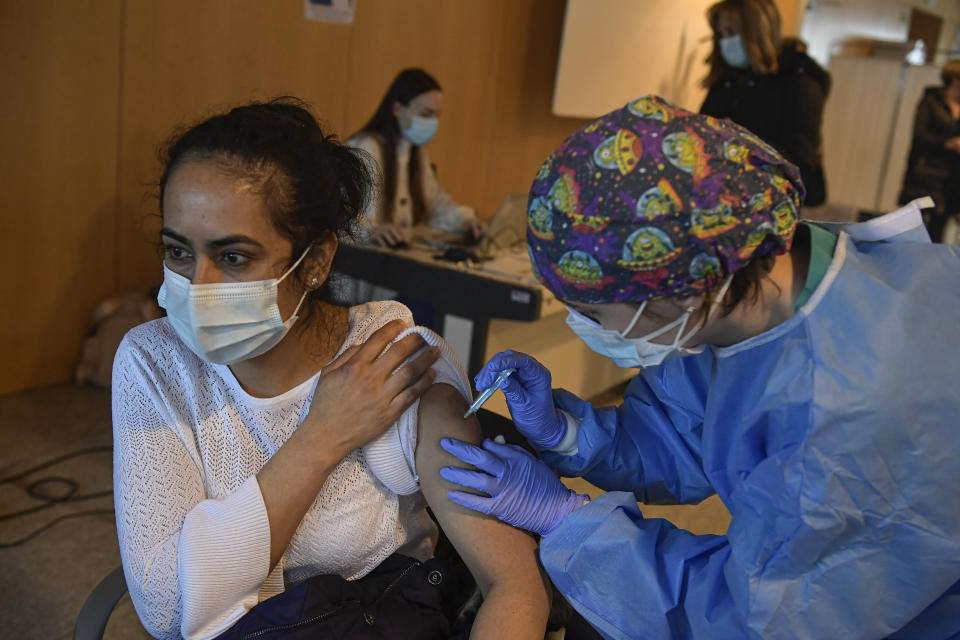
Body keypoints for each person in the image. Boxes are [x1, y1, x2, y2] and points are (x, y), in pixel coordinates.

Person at [439, 96, 960, 639]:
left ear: (676, 291)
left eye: (592, 311)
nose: (586, 326)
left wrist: (566, 520)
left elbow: (753, 621)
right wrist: (567, 433)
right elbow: (691, 428)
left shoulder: (838, 423)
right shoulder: (760, 282)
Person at [111, 98, 550, 640]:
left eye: (232, 258)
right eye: (179, 252)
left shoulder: (391, 359)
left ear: (315, 261)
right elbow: (164, 610)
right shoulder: (153, 360)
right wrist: (323, 436)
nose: (196, 287)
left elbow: (513, 582)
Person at [700, 0, 830, 206]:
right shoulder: (726, 81)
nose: (726, 42)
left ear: (757, 32)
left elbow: (801, 165)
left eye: (732, 33)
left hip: (768, 204)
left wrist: (738, 140)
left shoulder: (799, 81)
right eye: (721, 35)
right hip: (719, 195)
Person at [347, 68, 485, 247]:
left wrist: (464, 220)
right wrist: (371, 230)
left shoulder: (416, 152)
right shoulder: (364, 147)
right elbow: (341, 214)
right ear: (397, 109)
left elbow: (435, 204)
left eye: (437, 115)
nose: (433, 122)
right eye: (426, 114)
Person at [898, 60, 960, 243]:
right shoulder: (931, 101)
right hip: (926, 174)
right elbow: (920, 136)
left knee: (939, 231)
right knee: (916, 228)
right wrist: (948, 144)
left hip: (953, 180)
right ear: (954, 80)